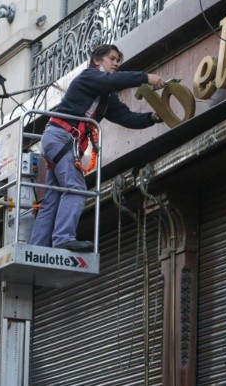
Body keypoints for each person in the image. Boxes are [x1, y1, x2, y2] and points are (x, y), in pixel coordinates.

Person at [29, 44, 165, 252]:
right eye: (112, 58)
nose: (116, 63)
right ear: (97, 61)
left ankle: (36, 247)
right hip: (61, 137)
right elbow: (113, 81)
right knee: (76, 188)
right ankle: (63, 238)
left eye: (118, 60)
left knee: (54, 197)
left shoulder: (106, 96)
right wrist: (146, 77)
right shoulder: (89, 77)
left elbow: (124, 116)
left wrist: (152, 118)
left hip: (60, 139)